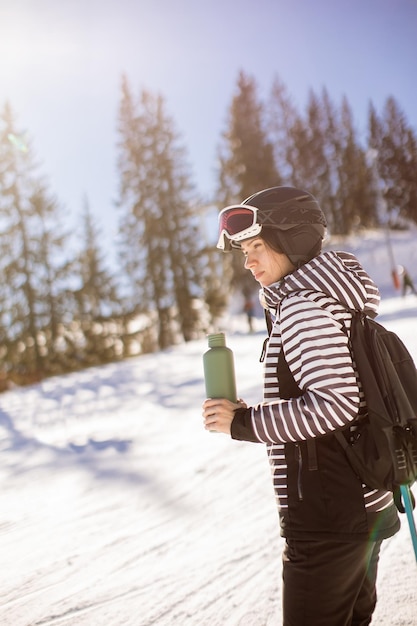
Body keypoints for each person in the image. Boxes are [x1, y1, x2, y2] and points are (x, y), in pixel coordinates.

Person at [202, 186, 400, 626]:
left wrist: (243, 423)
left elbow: (333, 404)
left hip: (328, 512)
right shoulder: (328, 298)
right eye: (243, 251)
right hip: (361, 502)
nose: (248, 261)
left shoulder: (301, 307)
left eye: (256, 246)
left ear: (291, 238)